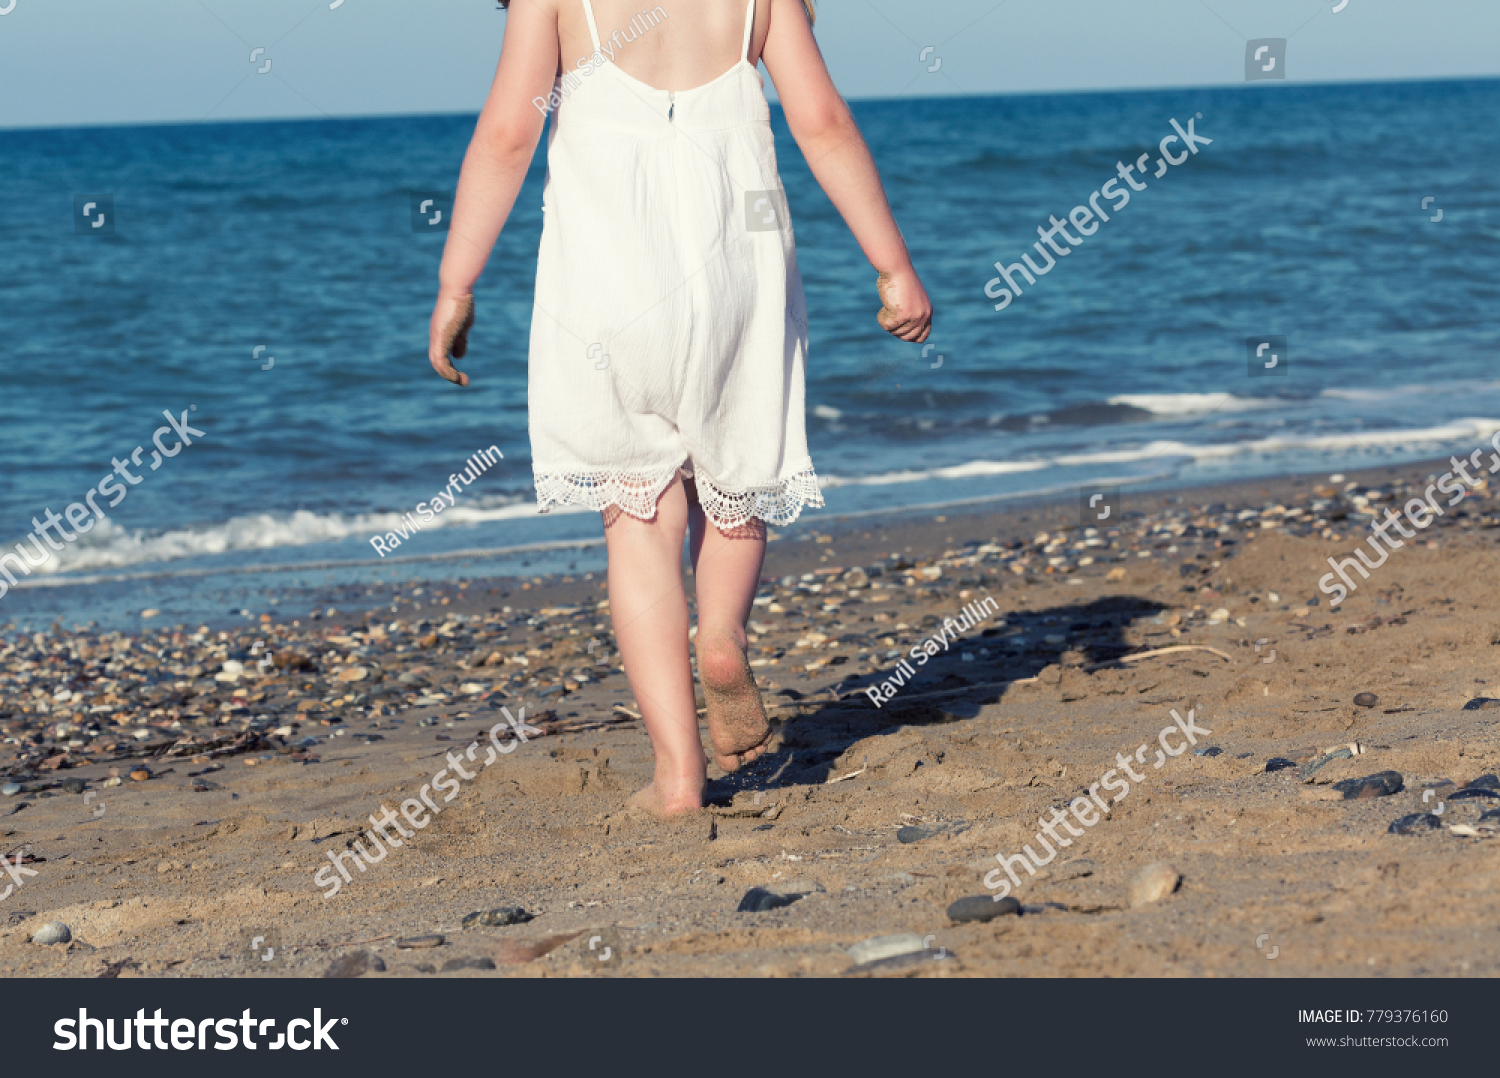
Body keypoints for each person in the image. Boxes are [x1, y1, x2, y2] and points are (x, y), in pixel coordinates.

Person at [426, 0, 932, 818]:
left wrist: (457, 284)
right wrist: (893, 266)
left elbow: (506, 136)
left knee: (641, 520)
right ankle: (723, 636)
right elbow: (824, 124)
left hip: (606, 290)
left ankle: (678, 779)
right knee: (737, 481)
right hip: (740, 272)